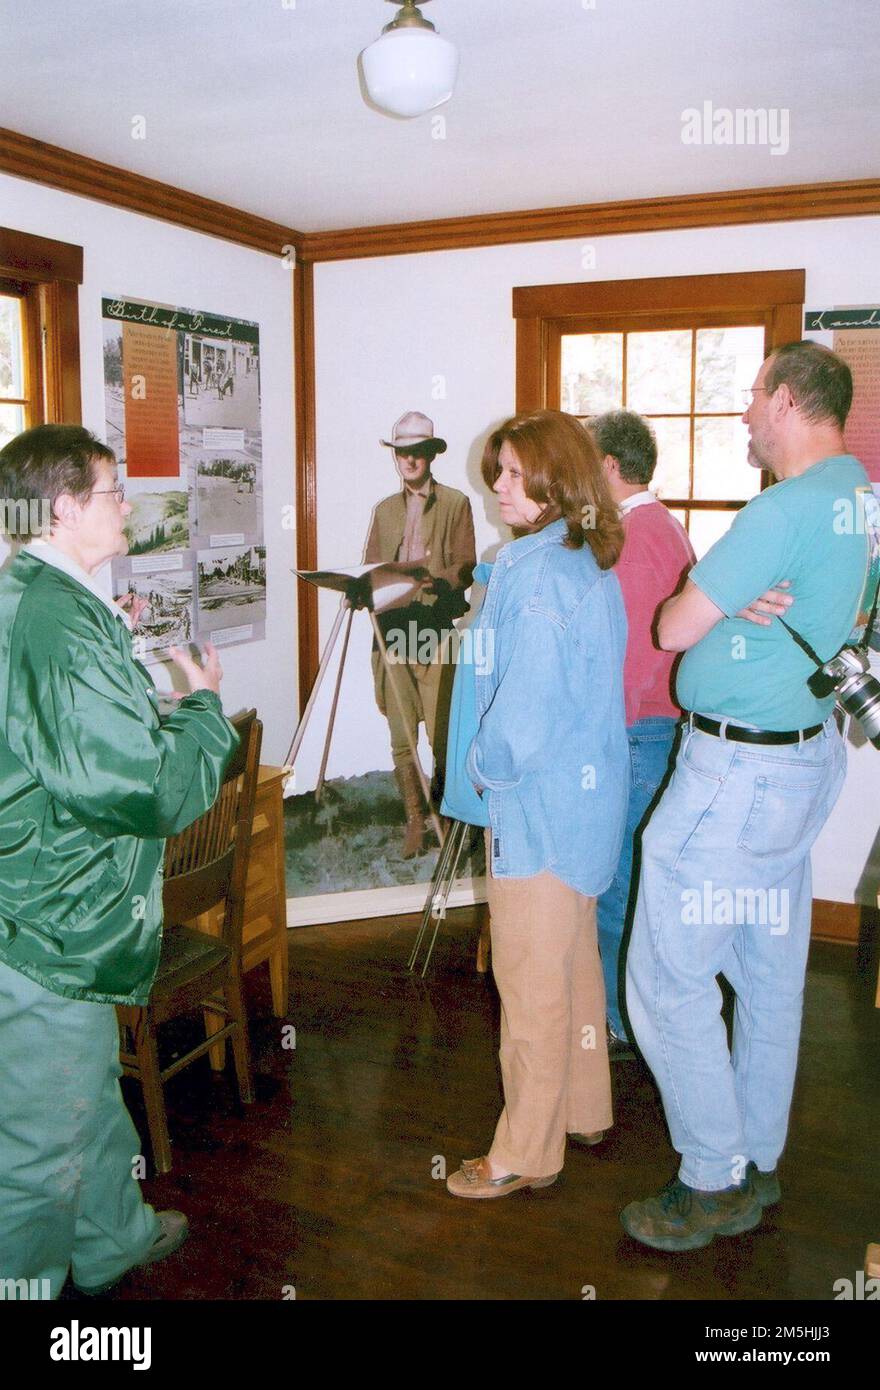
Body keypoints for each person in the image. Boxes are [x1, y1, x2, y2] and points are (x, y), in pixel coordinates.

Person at [622, 341, 877, 1251]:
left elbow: (671, 624)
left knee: (666, 977)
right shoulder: (864, 501)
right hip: (806, 766)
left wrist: (711, 593)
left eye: (752, 397)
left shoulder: (783, 508)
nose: (742, 415)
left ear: (787, 403)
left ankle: (713, 1176)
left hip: (734, 777)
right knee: (768, 975)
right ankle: (756, 1156)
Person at [0, 424, 239, 1297]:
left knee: (85, 1096)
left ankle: (112, 1238)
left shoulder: (48, 597)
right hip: (51, 923)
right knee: (37, 1151)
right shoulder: (56, 624)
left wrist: (115, 648)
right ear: (65, 507)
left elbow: (65, 735)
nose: (126, 506)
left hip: (51, 907)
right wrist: (202, 711)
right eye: (113, 492)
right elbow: (143, 789)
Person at [445, 409, 629, 1199]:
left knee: (528, 987)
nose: (499, 484)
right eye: (499, 469)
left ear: (559, 484)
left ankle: (525, 1152)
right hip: (581, 809)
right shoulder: (577, 560)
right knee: (573, 966)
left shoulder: (542, 577)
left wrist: (484, 766)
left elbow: (523, 719)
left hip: (538, 807)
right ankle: (584, 1108)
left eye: (516, 473)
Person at [589, 411, 695, 1057]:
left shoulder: (636, 536)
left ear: (607, 466)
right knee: (634, 882)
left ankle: (619, 1020)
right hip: (659, 729)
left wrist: (603, 736)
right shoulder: (662, 526)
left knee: (616, 887)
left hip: (636, 733)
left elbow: (631, 656)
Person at [364, 411, 475, 857]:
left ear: (430, 454)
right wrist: (357, 587)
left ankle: (446, 814)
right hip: (391, 630)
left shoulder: (455, 503)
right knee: (401, 732)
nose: (409, 460)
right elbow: (370, 569)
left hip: (432, 628)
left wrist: (435, 581)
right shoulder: (384, 510)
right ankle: (414, 819)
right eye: (402, 453)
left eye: (417, 452)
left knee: (443, 732)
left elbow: (466, 565)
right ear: (396, 458)